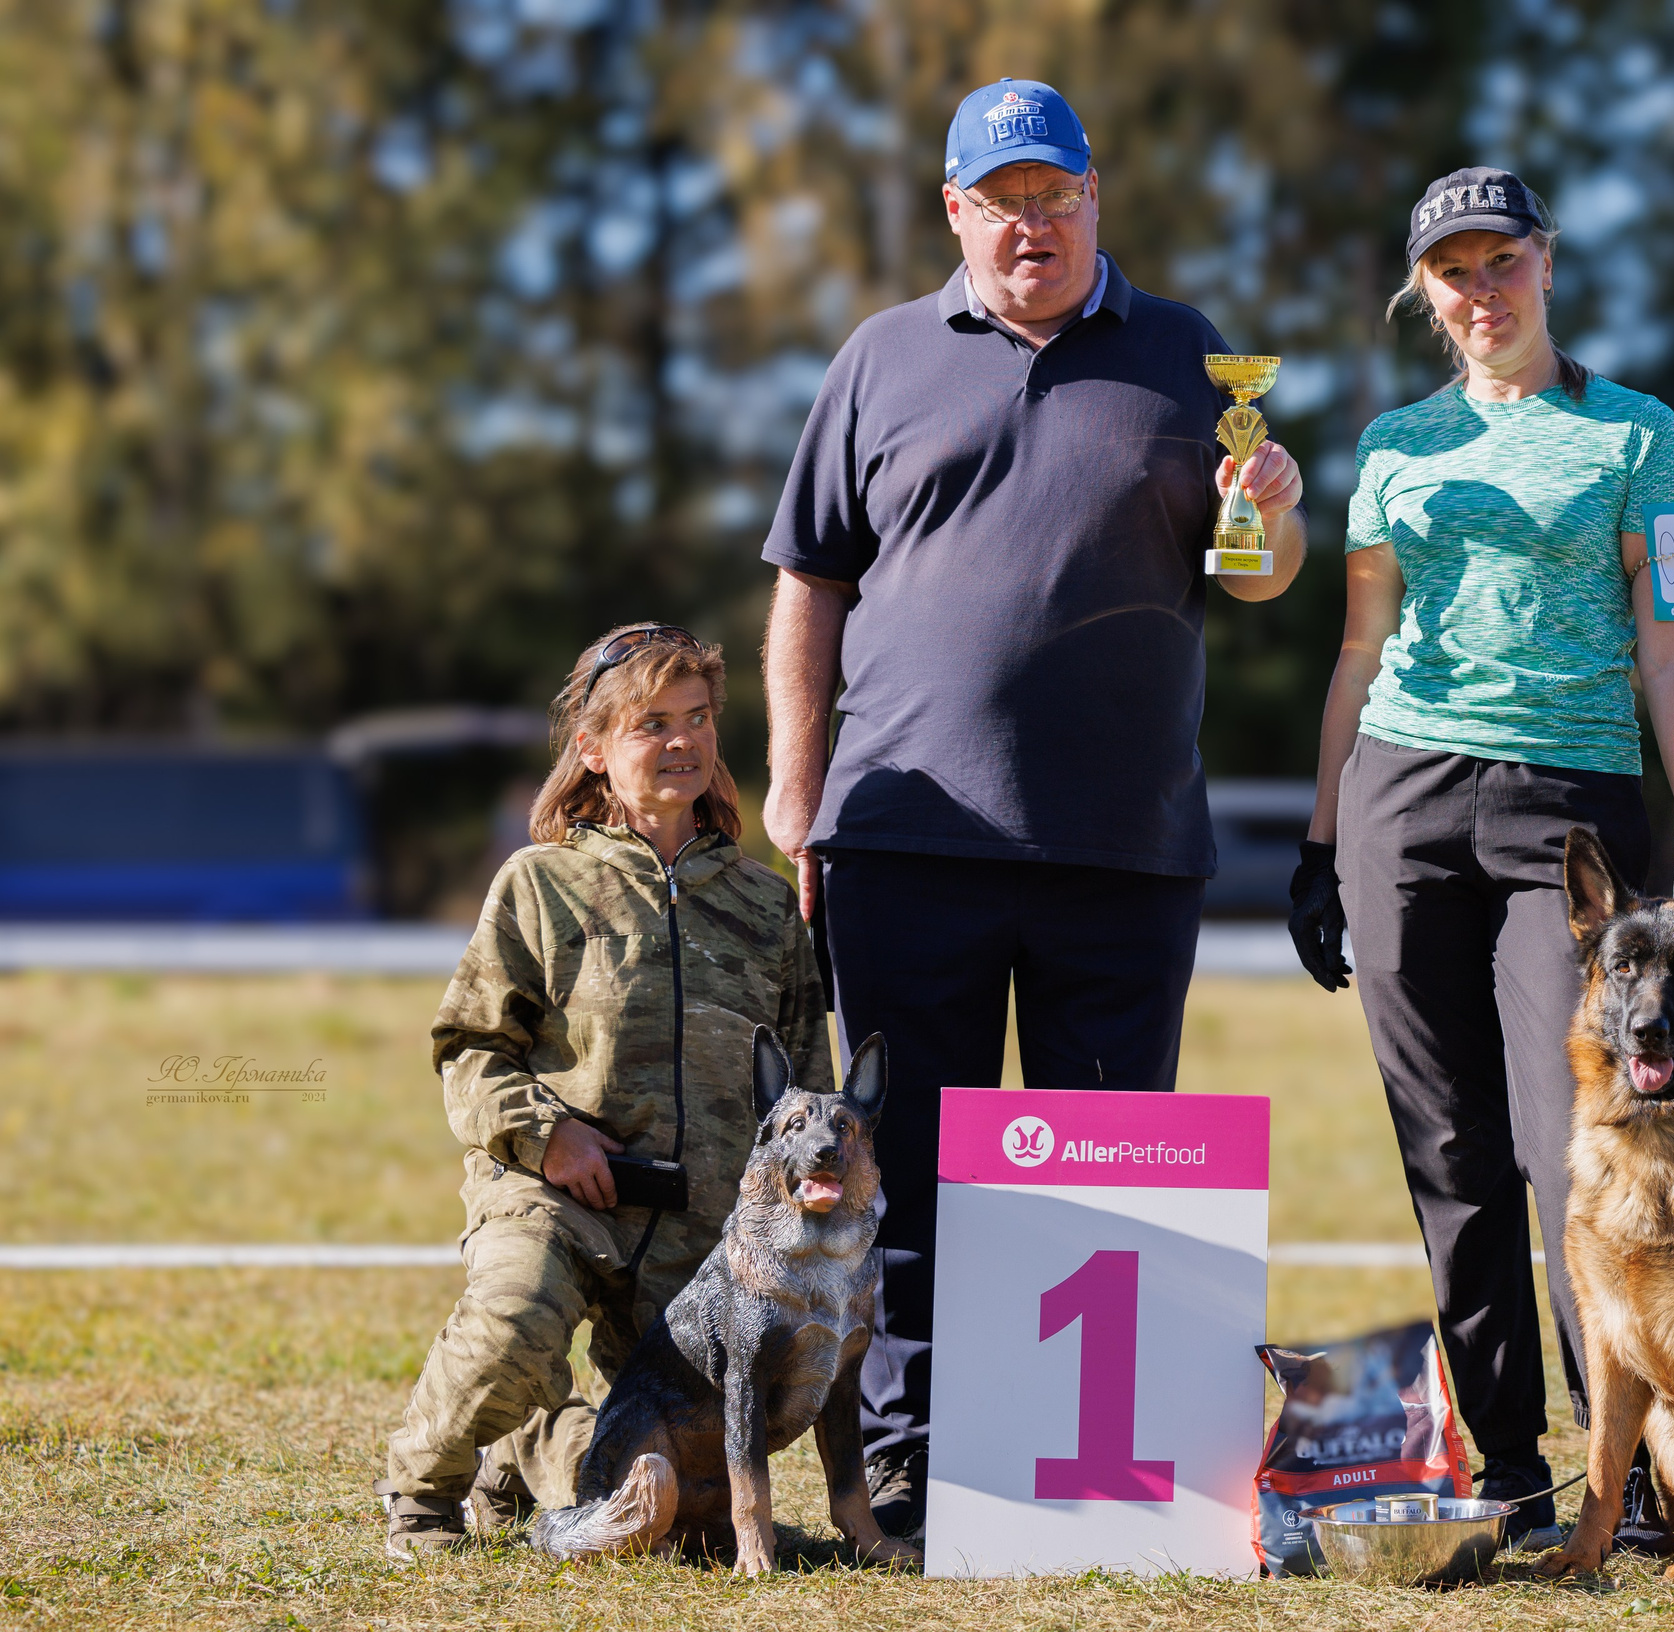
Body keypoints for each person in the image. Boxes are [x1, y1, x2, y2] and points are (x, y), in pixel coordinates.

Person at [758, 77, 1306, 1540]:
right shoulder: (879, 357)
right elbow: (809, 582)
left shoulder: (1189, 354)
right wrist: (796, 783)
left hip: (1123, 845)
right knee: (906, 1173)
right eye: (1001, 203)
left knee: (1106, 1167)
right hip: (902, 836)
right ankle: (911, 1460)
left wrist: (1275, 511)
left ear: (1093, 197)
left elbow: (1257, 579)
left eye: (1054, 197)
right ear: (955, 211)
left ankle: (1091, 1477)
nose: (1031, 227)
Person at [1288, 168, 1674, 1543]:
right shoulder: (1394, 444)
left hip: (1570, 810)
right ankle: (1508, 1469)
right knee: (1446, 1145)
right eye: (1454, 271)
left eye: (1502, 262)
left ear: (1547, 261)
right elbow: (1358, 648)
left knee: (1572, 1142)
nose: (1482, 291)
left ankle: (1628, 1472)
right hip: (1400, 799)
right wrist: (1318, 840)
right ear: (1426, 291)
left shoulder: (1637, 433)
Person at [378, 624, 828, 1560]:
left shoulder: (765, 909)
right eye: (652, 724)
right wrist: (546, 1136)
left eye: (697, 718)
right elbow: (469, 1047)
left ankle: (535, 1451)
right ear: (592, 748)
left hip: (703, 1234)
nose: (683, 741)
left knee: (681, 1512)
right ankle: (423, 1496)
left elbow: (806, 1095)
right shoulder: (538, 885)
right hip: (557, 1192)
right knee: (514, 1322)